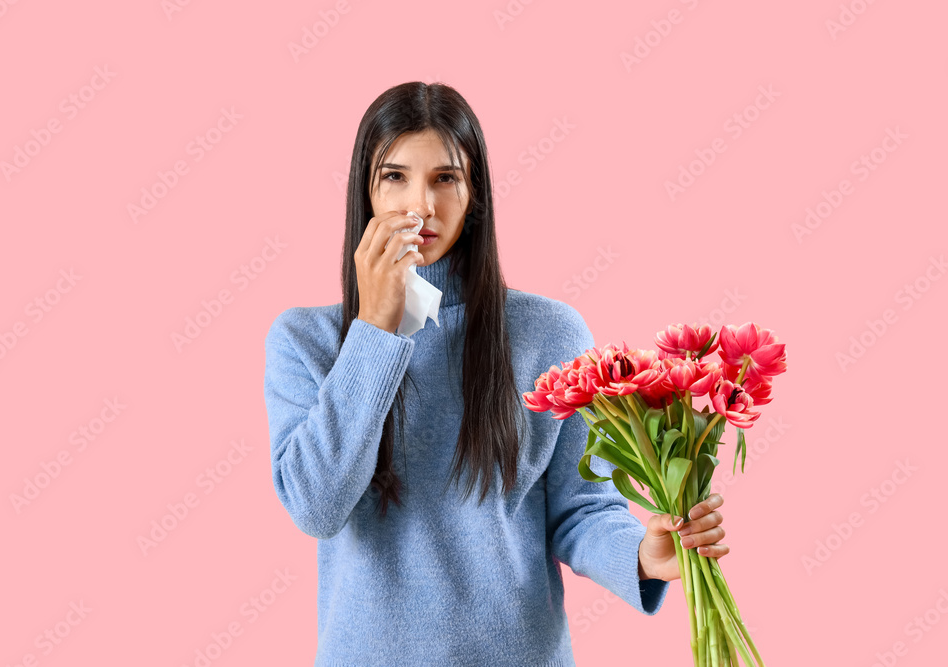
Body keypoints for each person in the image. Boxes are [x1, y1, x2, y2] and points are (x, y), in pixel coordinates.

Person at [263, 81, 730, 666]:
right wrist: (377, 329)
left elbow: (583, 509)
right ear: (365, 189)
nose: (421, 206)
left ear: (475, 193)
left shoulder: (550, 333)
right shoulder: (306, 341)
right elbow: (316, 506)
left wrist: (641, 555)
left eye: (445, 178)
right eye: (395, 177)